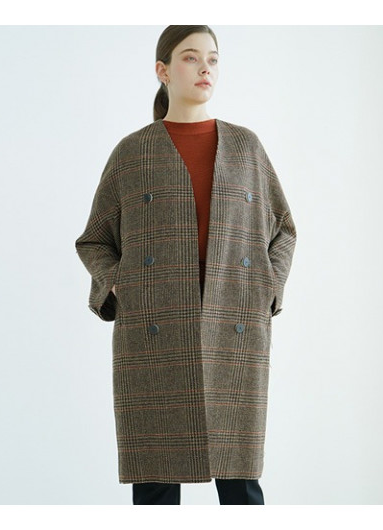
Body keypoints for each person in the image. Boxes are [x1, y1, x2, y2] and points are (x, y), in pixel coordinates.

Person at [75, 25, 297, 505]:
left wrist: (267, 288)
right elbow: (95, 239)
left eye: (213, 59)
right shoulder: (132, 152)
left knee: (239, 481)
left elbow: (283, 230)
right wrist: (121, 286)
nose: (205, 68)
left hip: (234, 321)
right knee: (155, 480)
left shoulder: (246, 147)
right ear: (163, 70)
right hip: (154, 326)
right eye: (191, 57)